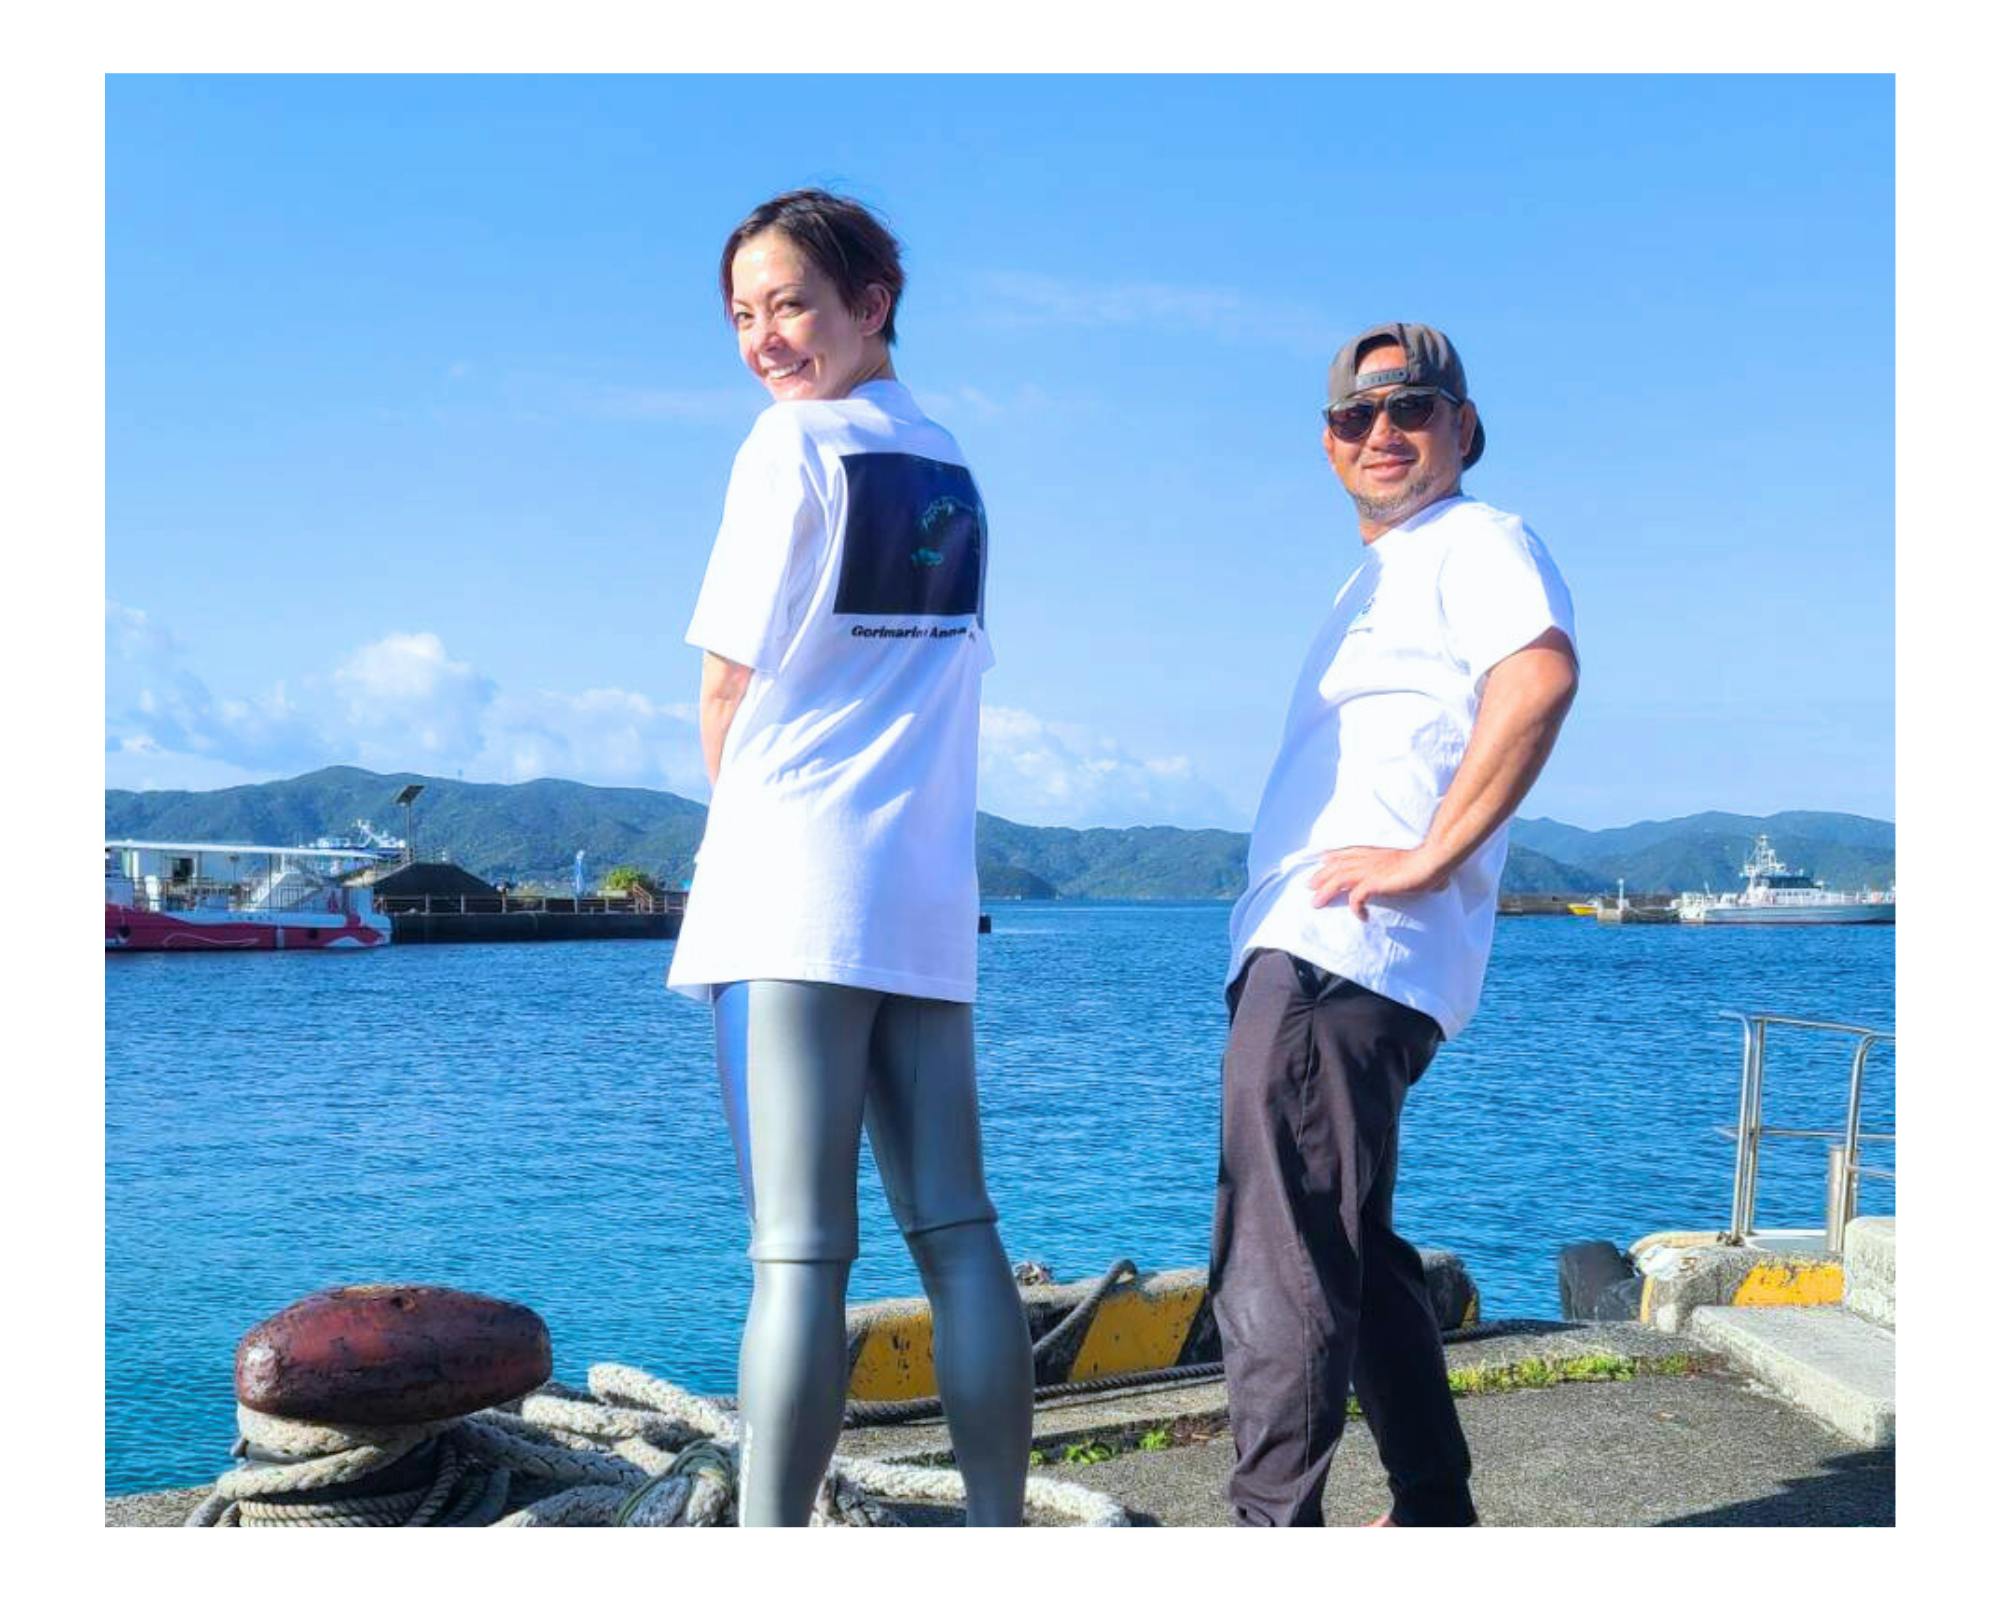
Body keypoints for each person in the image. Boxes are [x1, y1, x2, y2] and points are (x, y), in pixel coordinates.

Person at [665, 190, 1033, 1527]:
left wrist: (746, 839)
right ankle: (999, 1531)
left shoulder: (789, 445)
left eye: (791, 305)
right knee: (959, 1228)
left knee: (798, 1254)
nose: (765, 338)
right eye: (742, 315)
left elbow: (727, 683)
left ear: (871, 302)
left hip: (792, 890)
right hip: (921, 887)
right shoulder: (949, 467)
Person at [1211, 322, 1579, 1527]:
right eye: (1352, 416)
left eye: (1409, 407)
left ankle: (1270, 1534)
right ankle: (1431, 1510)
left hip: (1338, 953)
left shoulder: (1476, 539)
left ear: (1461, 427)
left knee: (1277, 1258)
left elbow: (1537, 676)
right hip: (1336, 953)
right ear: (1327, 446)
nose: (1380, 430)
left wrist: (1426, 854)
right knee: (1348, 1246)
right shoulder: (1379, 575)